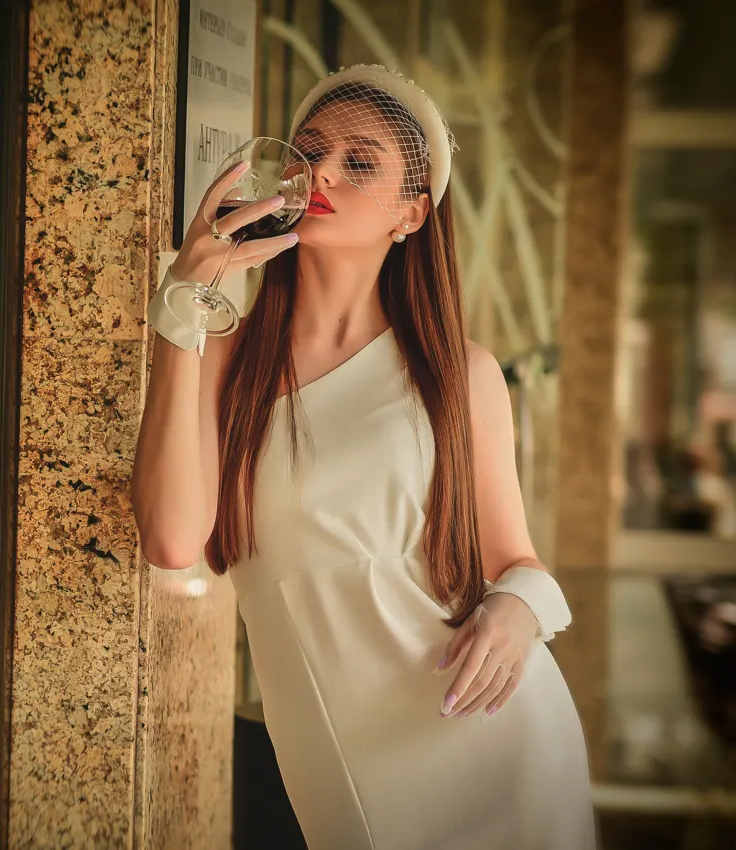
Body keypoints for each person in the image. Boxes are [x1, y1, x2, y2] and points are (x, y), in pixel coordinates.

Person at [133, 65, 595, 849]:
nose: (322, 173)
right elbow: (172, 541)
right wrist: (185, 295)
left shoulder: (457, 376)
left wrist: (518, 613)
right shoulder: (220, 360)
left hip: (492, 734)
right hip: (338, 756)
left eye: (360, 161)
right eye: (309, 152)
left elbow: (521, 564)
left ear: (411, 214)